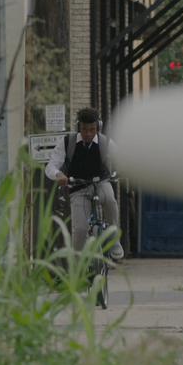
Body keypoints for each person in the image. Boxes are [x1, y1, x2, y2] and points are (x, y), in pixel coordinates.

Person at [44, 107, 125, 261]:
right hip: (77, 188)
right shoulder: (68, 142)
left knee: (110, 200)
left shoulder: (105, 142)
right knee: (80, 229)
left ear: (98, 127)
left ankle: (114, 240)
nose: (88, 134)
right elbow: (51, 166)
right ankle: (77, 264)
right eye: (84, 129)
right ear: (78, 127)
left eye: (92, 129)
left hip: (101, 183)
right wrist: (58, 174)